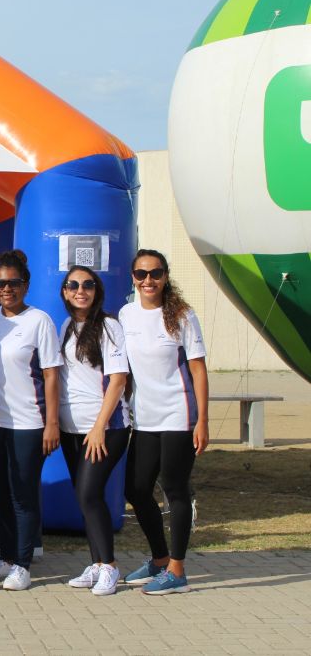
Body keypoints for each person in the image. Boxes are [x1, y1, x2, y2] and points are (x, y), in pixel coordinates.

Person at [0, 249, 61, 592]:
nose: (6, 289)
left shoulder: (39, 321)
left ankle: (23, 565)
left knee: (23, 496)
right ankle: (6, 558)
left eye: (13, 283)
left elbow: (51, 376)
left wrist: (51, 423)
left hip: (29, 424)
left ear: (26, 285)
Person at [119, 249, 208, 595]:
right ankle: (159, 559)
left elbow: (198, 370)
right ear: (133, 278)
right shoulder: (126, 314)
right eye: (141, 274)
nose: (148, 280)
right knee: (136, 489)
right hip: (144, 418)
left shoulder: (182, 315)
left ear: (165, 276)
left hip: (178, 415)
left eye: (155, 273)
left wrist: (202, 420)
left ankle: (177, 570)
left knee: (174, 489)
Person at [56, 266, 130, 597]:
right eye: (73, 285)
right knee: (84, 497)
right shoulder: (66, 327)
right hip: (72, 429)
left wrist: (100, 426)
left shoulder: (109, 326)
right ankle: (97, 564)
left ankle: (110, 566)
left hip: (105, 428)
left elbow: (118, 380)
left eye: (87, 285)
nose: (80, 290)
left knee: (89, 493)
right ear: (65, 291)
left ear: (96, 290)